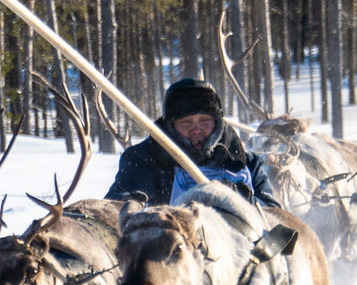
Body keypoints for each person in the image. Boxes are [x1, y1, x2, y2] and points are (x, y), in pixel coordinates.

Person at [105, 77, 279, 208]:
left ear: (217, 123)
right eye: (186, 123)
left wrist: (241, 196)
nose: (196, 130)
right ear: (171, 126)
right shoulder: (146, 160)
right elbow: (118, 203)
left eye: (205, 121)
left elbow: (274, 216)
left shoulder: (246, 163)